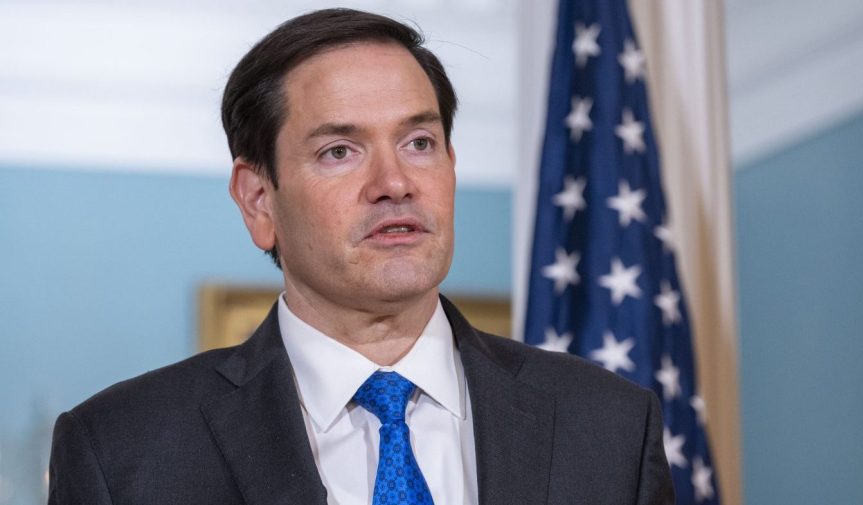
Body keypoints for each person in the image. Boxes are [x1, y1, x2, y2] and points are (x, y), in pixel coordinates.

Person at [48, 8, 674, 505]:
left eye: (419, 142)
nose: (395, 183)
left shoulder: (609, 426)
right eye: (339, 152)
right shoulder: (123, 451)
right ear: (259, 200)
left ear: (452, 168)